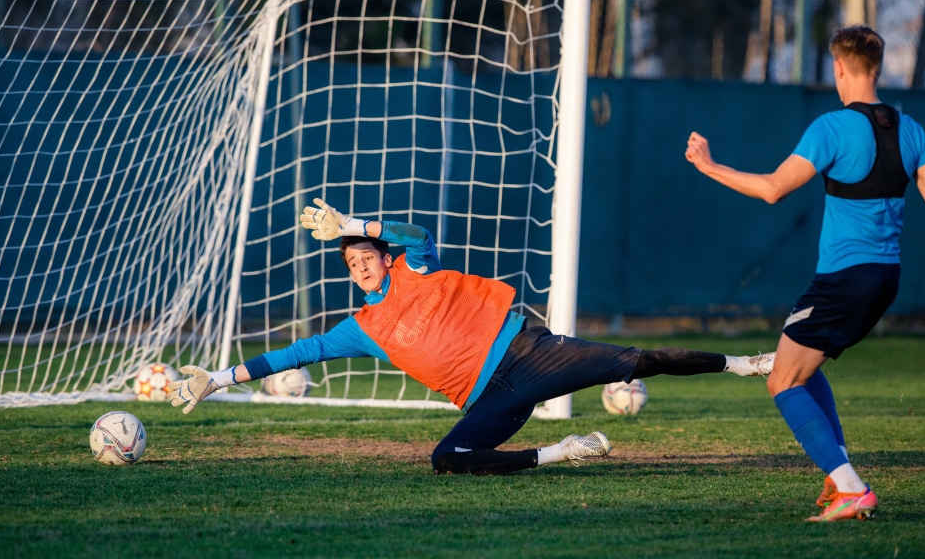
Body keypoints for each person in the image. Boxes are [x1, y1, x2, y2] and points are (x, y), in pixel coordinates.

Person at [167, 198, 776, 475]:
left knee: (638, 360)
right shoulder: (362, 328)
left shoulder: (415, 265)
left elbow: (415, 232)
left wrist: (351, 223)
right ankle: (561, 452)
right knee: (447, 460)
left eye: (365, 255)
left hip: (527, 352)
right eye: (351, 261)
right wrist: (218, 378)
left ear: (382, 257)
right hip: (493, 397)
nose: (360, 263)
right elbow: (295, 353)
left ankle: (746, 364)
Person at [684, 24, 925, 522]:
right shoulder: (911, 129)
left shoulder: (832, 127)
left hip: (844, 279)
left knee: (782, 379)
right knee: (801, 363)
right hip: (885, 279)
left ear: (839, 68)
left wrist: (709, 167)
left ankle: (851, 487)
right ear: (876, 67)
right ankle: (838, 477)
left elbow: (773, 188)